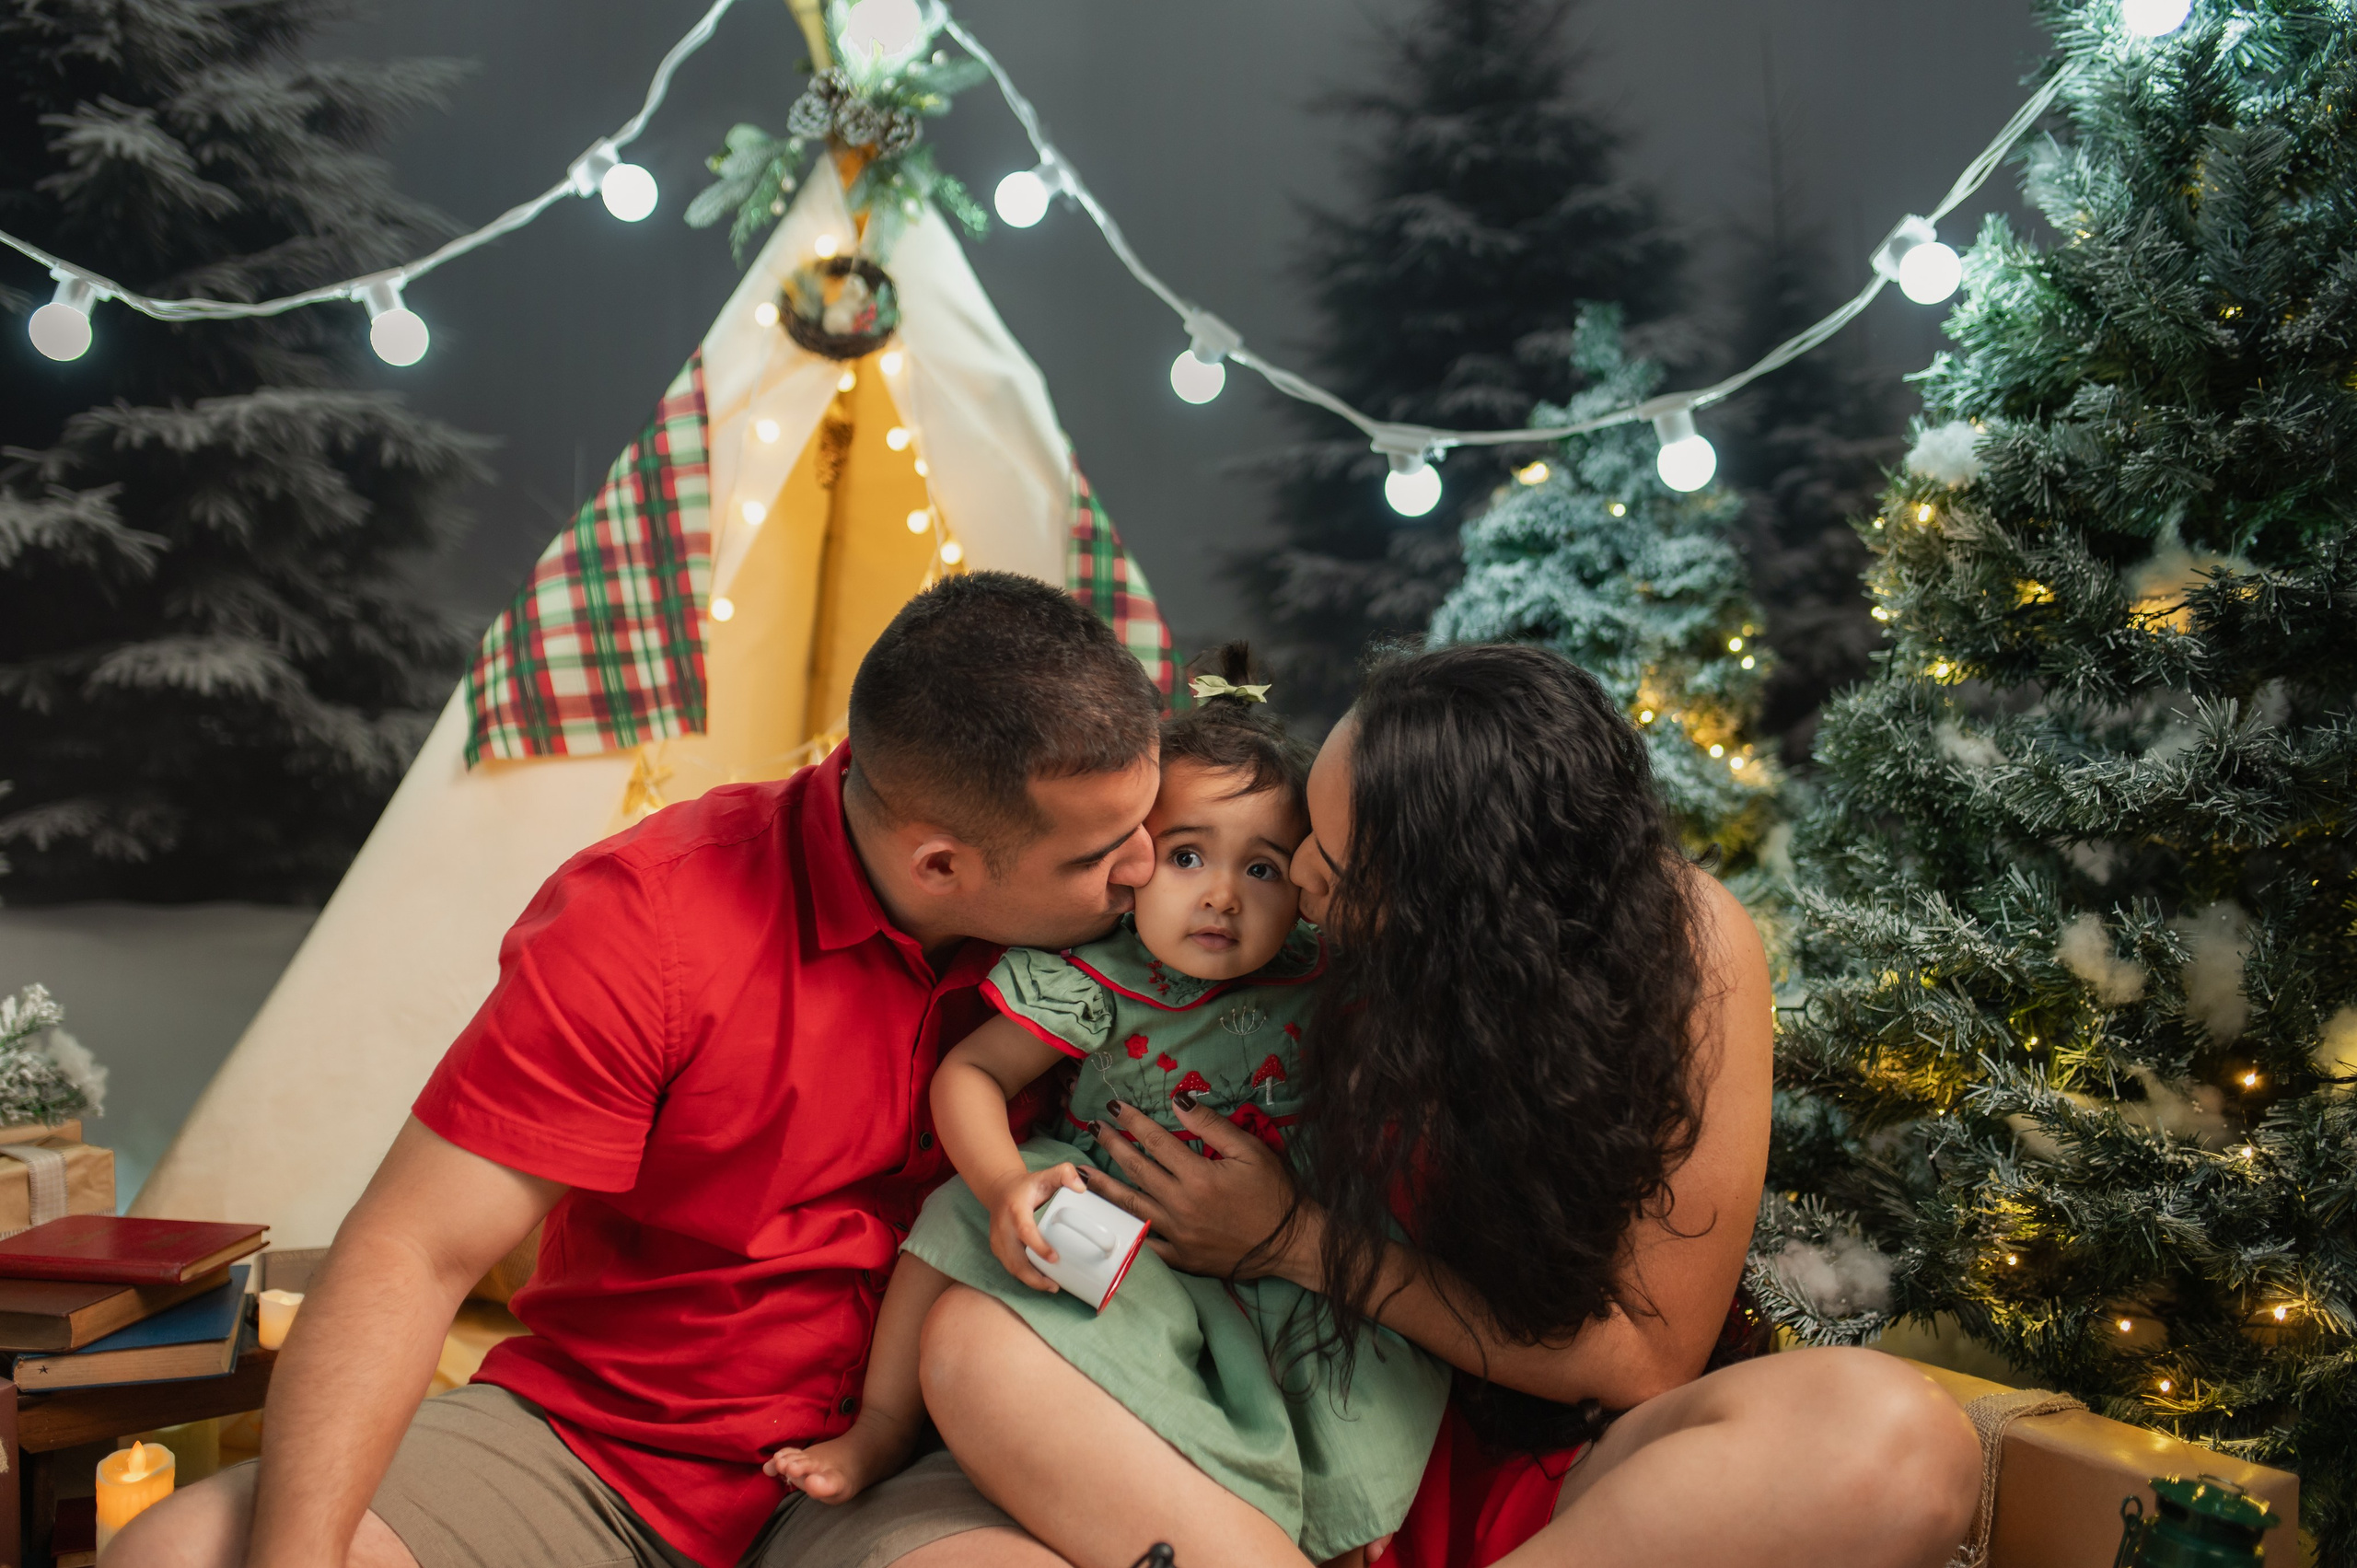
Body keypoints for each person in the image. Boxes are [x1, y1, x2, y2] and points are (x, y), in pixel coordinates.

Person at [111, 573, 1169, 1568]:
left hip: (923, 1461)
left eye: (1146, 824)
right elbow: (416, 1248)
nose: (1145, 866)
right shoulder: (650, 920)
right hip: (602, 1446)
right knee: (174, 1554)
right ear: (939, 864)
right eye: (1099, 852)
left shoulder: (1154, 931)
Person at [917, 644, 1983, 1568]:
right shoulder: (1279, 931)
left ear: (1452, 902)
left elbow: (1641, 1356)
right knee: (975, 1344)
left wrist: (1293, 1238)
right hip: (1268, 1449)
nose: (1297, 891)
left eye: (1326, 867)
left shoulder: (1689, 949)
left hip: (1550, 1479)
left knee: (1897, 1438)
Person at [772, 646, 1447, 1564]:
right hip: (1119, 1228)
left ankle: (1315, 1527)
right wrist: (1007, 1182)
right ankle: (883, 1423)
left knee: (1351, 1383)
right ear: (1132, 867)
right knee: (956, 1210)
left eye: (1262, 869)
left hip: (1277, 1252)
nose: (1220, 894)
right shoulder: (1096, 980)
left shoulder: (1322, 973)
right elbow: (967, 1076)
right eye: (1186, 855)